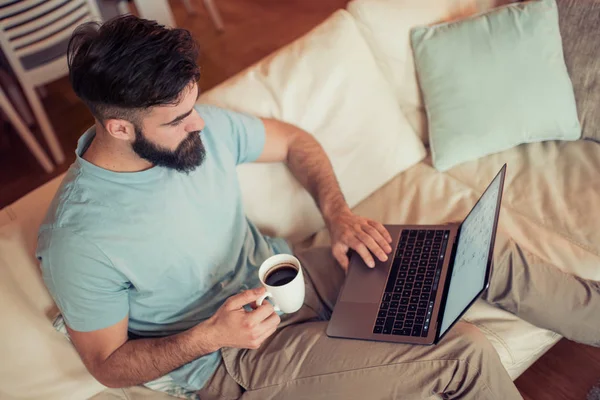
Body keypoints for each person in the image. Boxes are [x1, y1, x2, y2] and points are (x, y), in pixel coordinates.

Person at [37, 15, 600, 400]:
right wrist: (211, 336)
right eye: (179, 118)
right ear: (117, 127)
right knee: (464, 355)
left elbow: (296, 142)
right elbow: (107, 365)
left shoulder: (195, 133)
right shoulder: (81, 237)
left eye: (193, 104)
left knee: (473, 250)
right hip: (232, 361)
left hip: (290, 279)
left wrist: (338, 214)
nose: (199, 123)